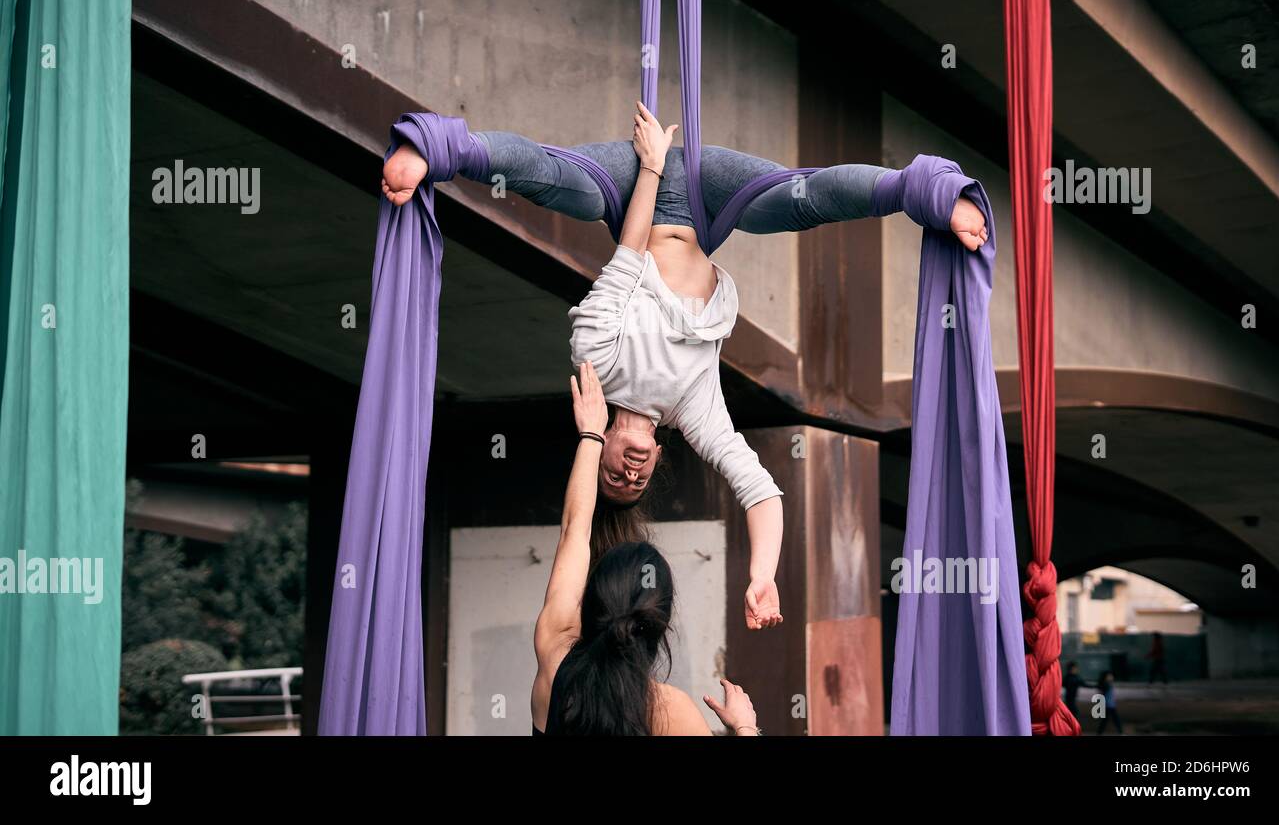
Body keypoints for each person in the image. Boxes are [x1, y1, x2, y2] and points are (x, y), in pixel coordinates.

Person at [383, 103, 990, 629]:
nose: (632, 474)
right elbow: (760, 490)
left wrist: (649, 165)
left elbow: (628, 253)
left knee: (550, 178)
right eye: (638, 484)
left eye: (615, 478)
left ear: (600, 450)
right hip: (707, 200)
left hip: (628, 187)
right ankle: (923, 192)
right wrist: (762, 574)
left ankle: (442, 146)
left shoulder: (594, 365)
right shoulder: (692, 409)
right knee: (807, 198)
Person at [530, 360, 761, 736]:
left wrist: (592, 436)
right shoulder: (668, 711)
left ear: (589, 601)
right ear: (660, 624)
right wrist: (745, 727)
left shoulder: (554, 653)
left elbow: (575, 529)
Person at [1095, 670, 1123, 735]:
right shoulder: (1106, 684)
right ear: (1106, 677)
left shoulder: (1108, 684)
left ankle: (1099, 733)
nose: (1111, 677)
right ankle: (1120, 732)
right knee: (1114, 719)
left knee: (1107, 720)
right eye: (1109, 676)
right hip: (1108, 705)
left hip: (1110, 705)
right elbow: (1102, 694)